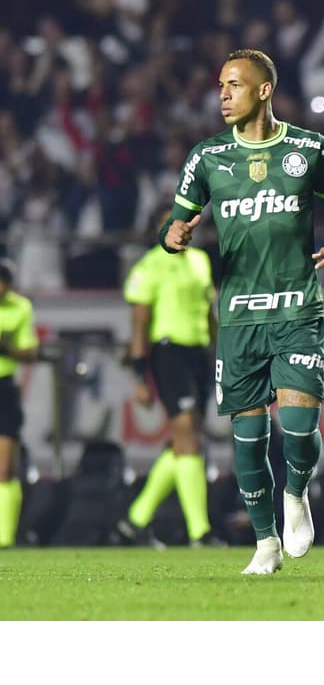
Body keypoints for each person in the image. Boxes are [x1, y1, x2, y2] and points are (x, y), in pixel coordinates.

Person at [161, 48, 324, 574]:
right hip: (239, 317)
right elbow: (173, 224)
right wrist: (173, 234)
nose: (223, 95)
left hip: (296, 309)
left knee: (297, 424)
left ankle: (296, 492)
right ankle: (265, 544)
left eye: (235, 86)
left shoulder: (307, 149)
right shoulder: (206, 159)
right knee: (246, 437)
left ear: (264, 90)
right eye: (220, 86)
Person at [115, 207, 221, 548]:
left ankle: (135, 520)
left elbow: (208, 315)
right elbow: (139, 325)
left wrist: (223, 355)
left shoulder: (201, 262)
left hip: (198, 354)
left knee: (186, 439)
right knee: (187, 433)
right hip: (168, 352)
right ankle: (199, 532)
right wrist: (139, 375)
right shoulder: (150, 266)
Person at [0, 258, 39, 548]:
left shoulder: (20, 307)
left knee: (5, 467)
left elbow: (29, 352)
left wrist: (7, 347)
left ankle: (4, 537)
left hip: (4, 387)